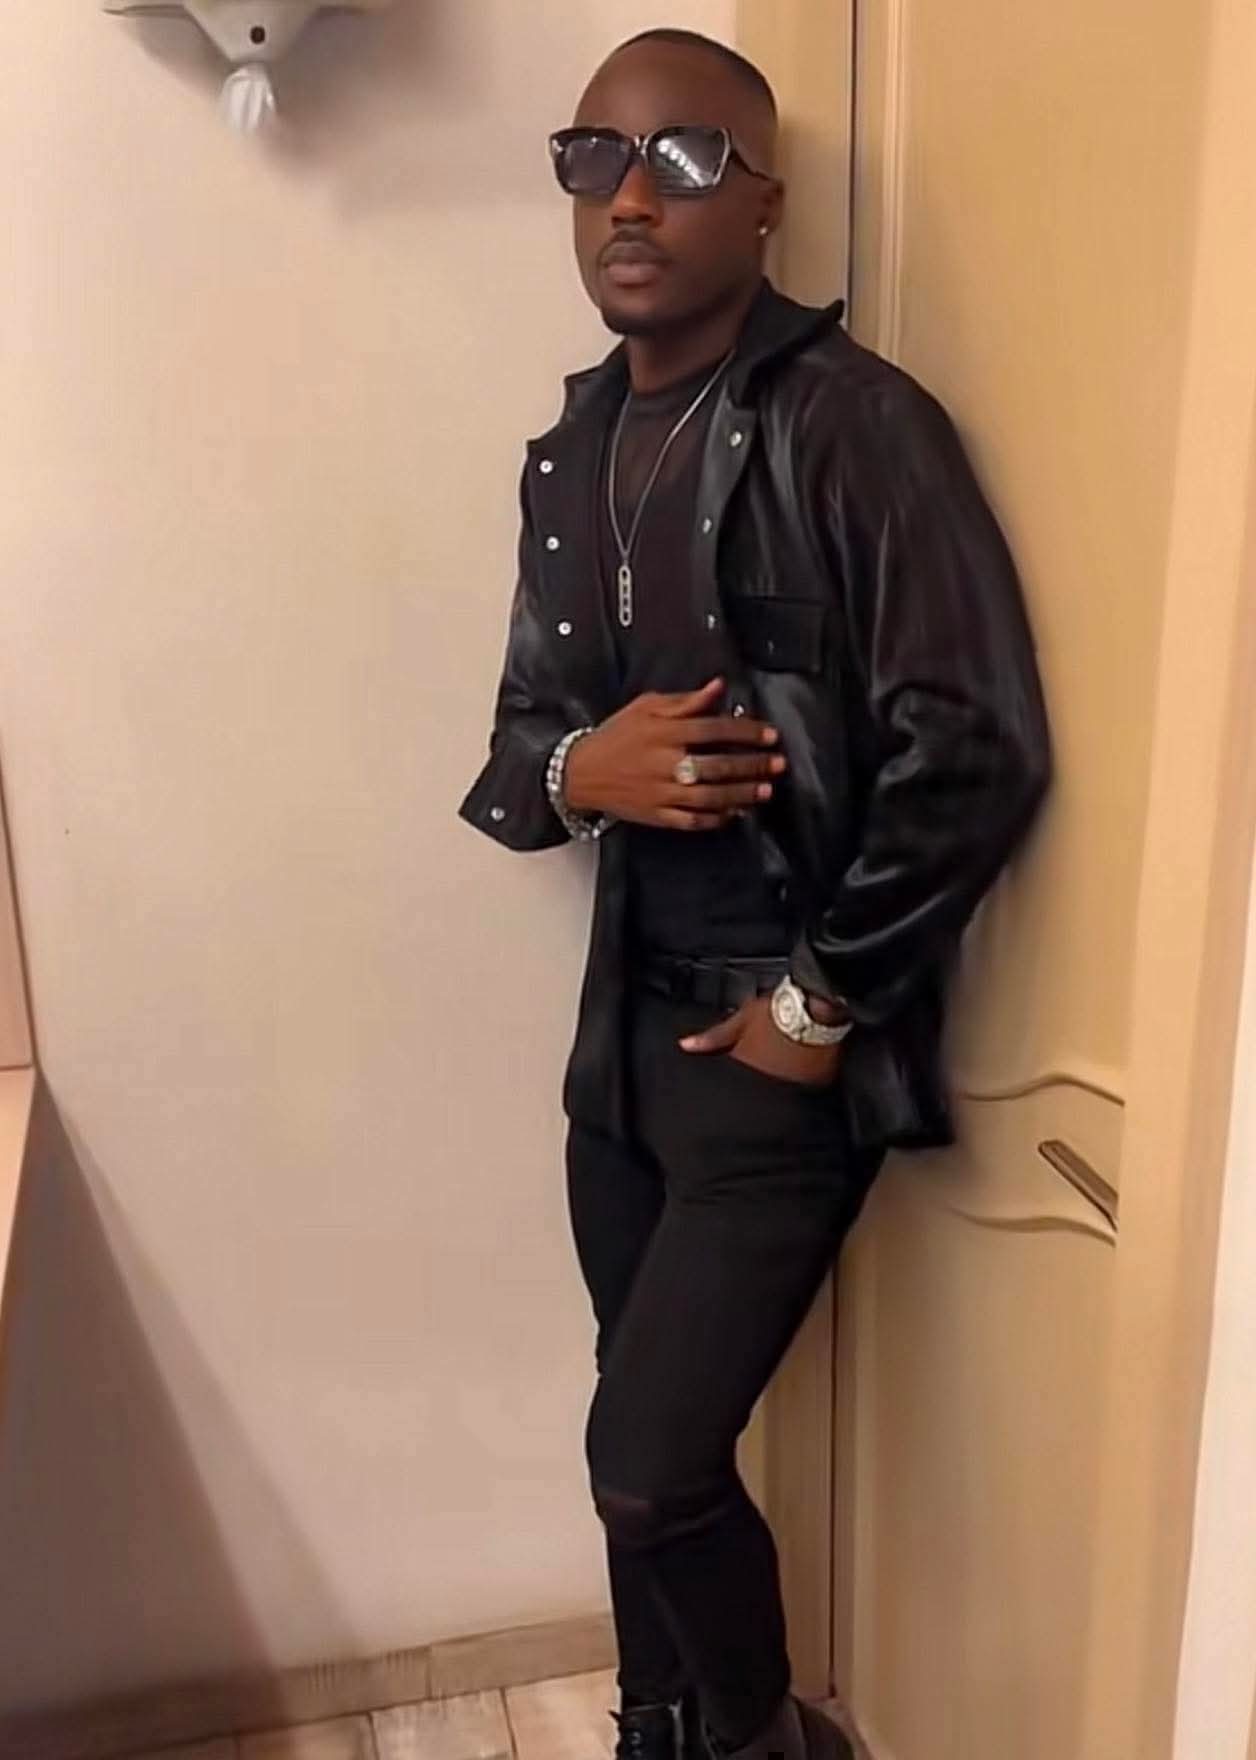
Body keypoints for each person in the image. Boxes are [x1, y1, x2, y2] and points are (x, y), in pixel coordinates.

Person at [461, 27, 1050, 1760]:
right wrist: (585, 771)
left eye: (686, 160)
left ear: (766, 199)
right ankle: (656, 1726)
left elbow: (978, 747)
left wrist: (821, 1000)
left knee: (646, 1471)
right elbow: (517, 756)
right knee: (631, 1437)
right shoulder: (573, 453)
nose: (631, 200)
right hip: (619, 1054)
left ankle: (766, 1742)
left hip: (773, 1056)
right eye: (594, 160)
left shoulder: (856, 426)